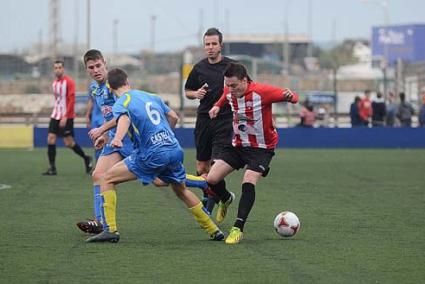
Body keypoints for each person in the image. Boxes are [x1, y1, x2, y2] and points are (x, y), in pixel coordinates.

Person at [77, 50, 212, 235]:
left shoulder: (113, 85)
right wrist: (106, 136)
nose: (96, 70)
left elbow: (125, 115)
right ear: (86, 69)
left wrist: (102, 130)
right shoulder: (94, 88)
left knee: (160, 181)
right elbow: (112, 116)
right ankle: (100, 222)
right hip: (116, 140)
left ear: (105, 63)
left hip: (132, 141)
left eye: (98, 66)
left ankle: (203, 183)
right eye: (91, 68)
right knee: (98, 174)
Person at [207, 63, 299, 244]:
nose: (230, 89)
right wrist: (217, 106)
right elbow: (224, 96)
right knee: (211, 179)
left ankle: (237, 228)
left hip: (261, 148)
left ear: (244, 80)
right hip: (238, 145)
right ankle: (225, 198)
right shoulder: (230, 90)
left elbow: (293, 96)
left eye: (233, 85)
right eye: (228, 85)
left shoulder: (262, 92)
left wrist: (291, 97)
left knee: (248, 181)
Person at [185, 27, 235, 214]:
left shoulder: (232, 67)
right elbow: (188, 91)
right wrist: (195, 93)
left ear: (221, 45)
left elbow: (246, 86)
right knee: (201, 167)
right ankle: (223, 196)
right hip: (204, 120)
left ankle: (208, 205)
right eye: (207, 44)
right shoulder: (199, 68)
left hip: (225, 120)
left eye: (214, 44)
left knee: (216, 165)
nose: (211, 47)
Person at [42, 60, 92, 176]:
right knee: (50, 138)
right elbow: (58, 100)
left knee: (68, 142)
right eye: (55, 68)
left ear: (63, 69)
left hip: (67, 116)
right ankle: (52, 168)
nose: (58, 69)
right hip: (55, 115)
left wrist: (65, 116)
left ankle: (86, 158)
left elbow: (71, 100)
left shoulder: (69, 82)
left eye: (59, 67)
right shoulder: (54, 83)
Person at [85, 80, 104, 161]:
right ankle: (98, 165)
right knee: (96, 142)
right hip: (95, 118)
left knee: (108, 142)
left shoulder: (110, 83)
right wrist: (87, 116)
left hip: (106, 118)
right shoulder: (92, 85)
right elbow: (91, 101)